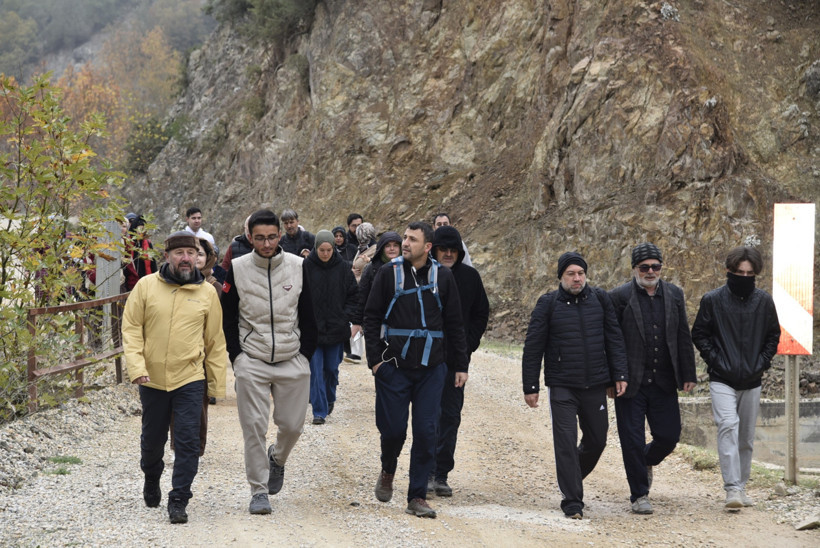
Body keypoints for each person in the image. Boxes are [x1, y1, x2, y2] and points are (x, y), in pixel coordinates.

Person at [363, 221, 468, 519]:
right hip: (393, 367)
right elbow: (370, 317)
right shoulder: (387, 273)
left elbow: (455, 325)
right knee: (394, 430)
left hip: (432, 369)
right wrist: (376, 362)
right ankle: (388, 467)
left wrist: (460, 365)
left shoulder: (443, 277)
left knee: (426, 431)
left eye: (412, 239)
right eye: (405, 238)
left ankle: (417, 495)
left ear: (427, 247)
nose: (404, 243)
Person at [122, 231, 227, 524]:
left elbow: (215, 341)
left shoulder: (207, 293)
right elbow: (130, 328)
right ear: (167, 256)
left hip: (190, 378)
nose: (185, 258)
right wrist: (137, 367)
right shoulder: (145, 287)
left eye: (190, 253)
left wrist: (216, 385)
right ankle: (151, 475)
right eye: (179, 253)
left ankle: (179, 498)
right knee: (152, 440)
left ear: (197, 257)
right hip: (152, 379)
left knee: (188, 441)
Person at [221, 209, 318, 516]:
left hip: (293, 356)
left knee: (293, 426)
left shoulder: (299, 266)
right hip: (252, 358)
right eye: (259, 238)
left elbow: (310, 313)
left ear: (280, 235)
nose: (266, 243)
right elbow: (227, 315)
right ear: (249, 237)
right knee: (253, 428)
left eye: (271, 237)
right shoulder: (236, 268)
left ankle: (277, 458)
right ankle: (258, 491)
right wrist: (237, 356)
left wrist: (306, 353)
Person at [521, 251, 628, 520]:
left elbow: (614, 338)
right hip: (562, 385)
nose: (577, 278)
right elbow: (533, 347)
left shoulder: (601, 299)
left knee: (597, 440)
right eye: (571, 273)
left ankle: (571, 477)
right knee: (566, 443)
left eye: (580, 273)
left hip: (596, 384)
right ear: (561, 277)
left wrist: (620, 375)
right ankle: (572, 501)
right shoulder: (548, 303)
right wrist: (530, 385)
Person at [608, 243, 697, 515]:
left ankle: (644, 461)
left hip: (665, 381)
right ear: (635, 269)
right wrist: (614, 378)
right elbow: (612, 340)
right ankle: (639, 495)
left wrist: (688, 374)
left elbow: (683, 335)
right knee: (631, 440)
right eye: (644, 267)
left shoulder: (674, 294)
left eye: (655, 266)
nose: (650, 271)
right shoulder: (618, 296)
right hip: (629, 383)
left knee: (669, 436)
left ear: (661, 267)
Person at [691, 246, 780, 511]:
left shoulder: (764, 301)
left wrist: (761, 363)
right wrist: (717, 361)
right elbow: (700, 334)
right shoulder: (712, 300)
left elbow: (773, 335)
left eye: (750, 273)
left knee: (746, 437)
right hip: (722, 378)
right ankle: (732, 489)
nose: (744, 276)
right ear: (729, 270)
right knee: (728, 426)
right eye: (739, 272)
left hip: (752, 379)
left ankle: (741, 485)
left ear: (756, 273)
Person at [429, 226, 489, 497]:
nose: (449, 254)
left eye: (454, 250)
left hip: (456, 361)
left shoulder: (470, 277)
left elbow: (481, 313)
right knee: (428, 416)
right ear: (435, 250)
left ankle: (441, 474)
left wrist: (468, 344)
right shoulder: (423, 275)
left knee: (450, 417)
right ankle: (424, 471)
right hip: (425, 360)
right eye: (444, 249)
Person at [304, 230, 359, 424]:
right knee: (316, 371)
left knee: (331, 369)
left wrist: (345, 316)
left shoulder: (343, 268)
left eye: (329, 250)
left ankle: (329, 398)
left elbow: (354, 295)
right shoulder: (306, 267)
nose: (325, 253)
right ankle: (319, 411)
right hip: (314, 331)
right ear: (315, 248)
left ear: (333, 249)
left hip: (337, 329)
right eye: (322, 250)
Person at [122, 214, 157, 292]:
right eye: (139, 229)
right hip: (132, 284)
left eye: (143, 229)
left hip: (147, 283)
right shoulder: (128, 242)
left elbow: (153, 264)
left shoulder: (147, 243)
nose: (141, 232)